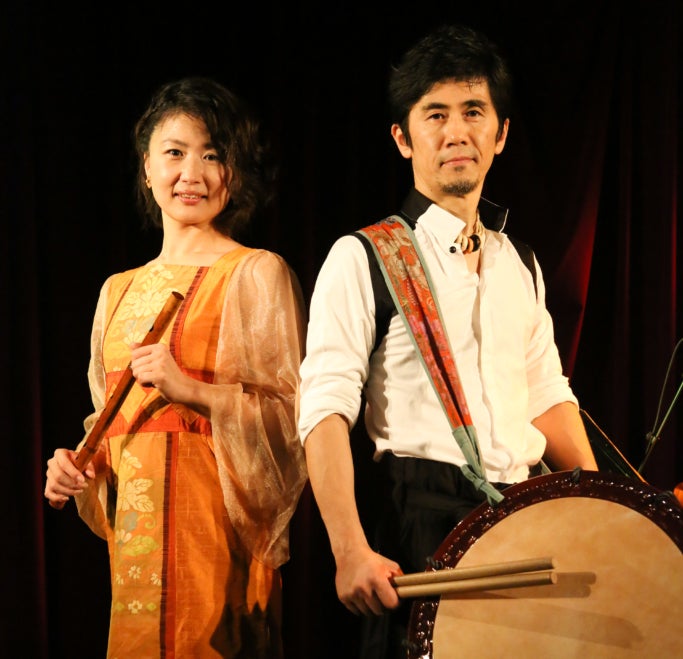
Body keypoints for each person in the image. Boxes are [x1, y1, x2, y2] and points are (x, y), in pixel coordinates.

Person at [297, 23, 599, 658]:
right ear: (403, 138)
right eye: (435, 114)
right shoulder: (363, 256)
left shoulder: (521, 262)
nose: (456, 131)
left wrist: (603, 514)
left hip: (525, 518)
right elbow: (323, 410)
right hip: (418, 523)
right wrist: (349, 549)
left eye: (473, 112)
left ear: (501, 133)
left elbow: (548, 396)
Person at [44, 77, 308, 659]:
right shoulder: (116, 290)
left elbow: (291, 423)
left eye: (213, 155)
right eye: (175, 152)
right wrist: (80, 464)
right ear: (146, 168)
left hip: (214, 536)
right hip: (134, 552)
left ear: (234, 173)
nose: (192, 173)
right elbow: (111, 423)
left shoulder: (255, 273)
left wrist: (190, 390)